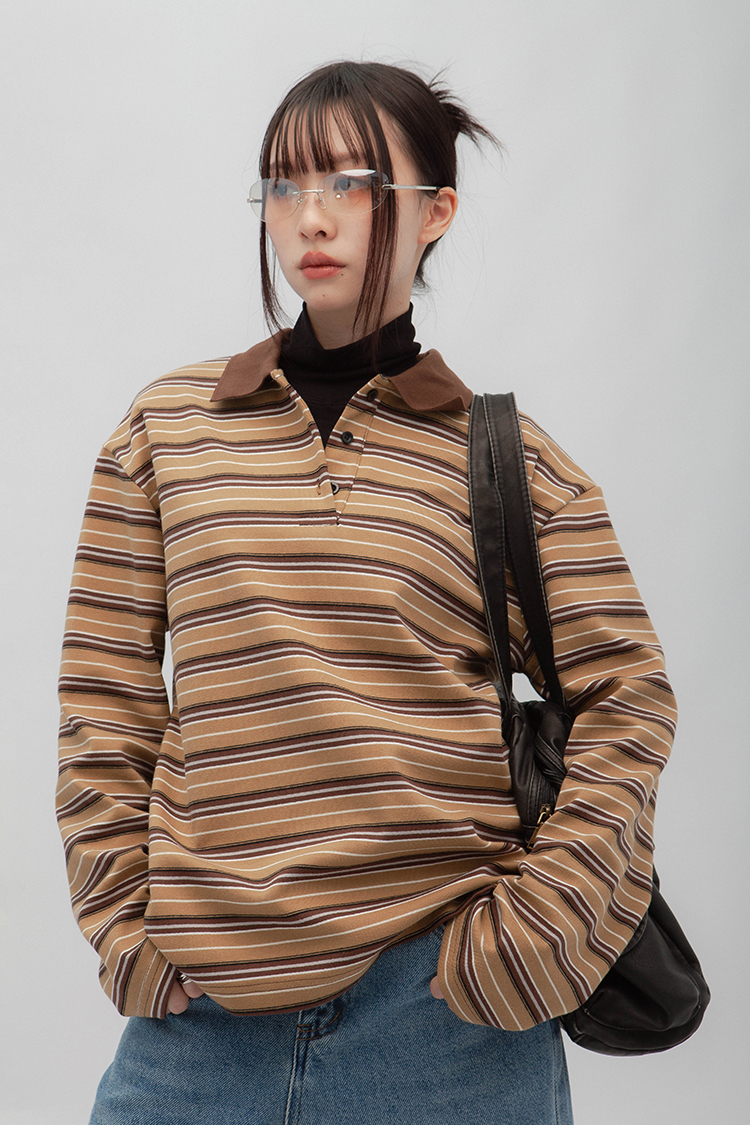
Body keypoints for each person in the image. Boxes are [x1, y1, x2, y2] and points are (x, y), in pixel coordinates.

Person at [57, 60, 676, 1125]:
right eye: (284, 186)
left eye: (351, 183)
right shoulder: (165, 430)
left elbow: (629, 699)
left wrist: (534, 935)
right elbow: (103, 695)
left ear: (436, 211)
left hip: (444, 1027)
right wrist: (122, 922)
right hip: (201, 1024)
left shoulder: (511, 460)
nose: (311, 216)